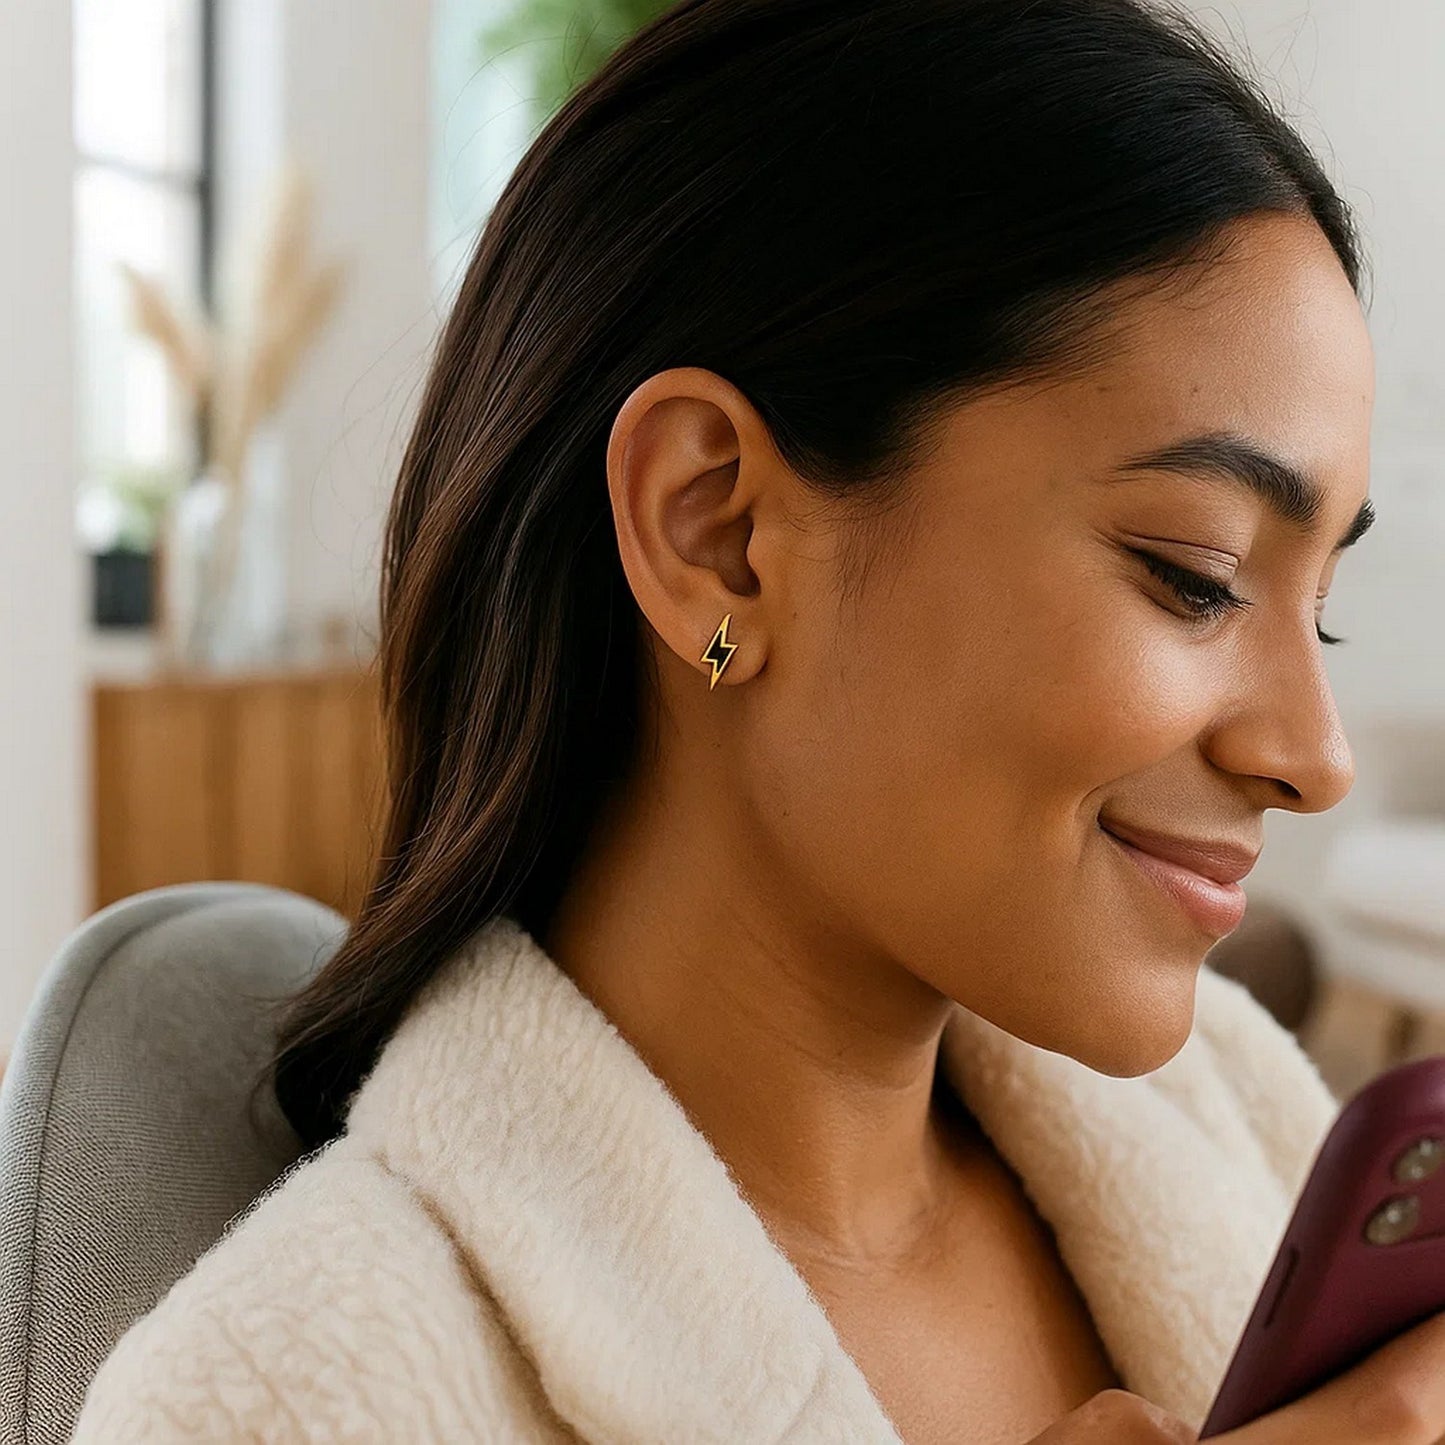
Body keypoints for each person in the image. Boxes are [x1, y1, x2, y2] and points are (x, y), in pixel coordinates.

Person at [70, 0, 1445, 1440]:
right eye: (1198, 576)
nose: (1316, 752)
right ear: (715, 530)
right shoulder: (288, 1399)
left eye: (1322, 609)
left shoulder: (1242, 1125)